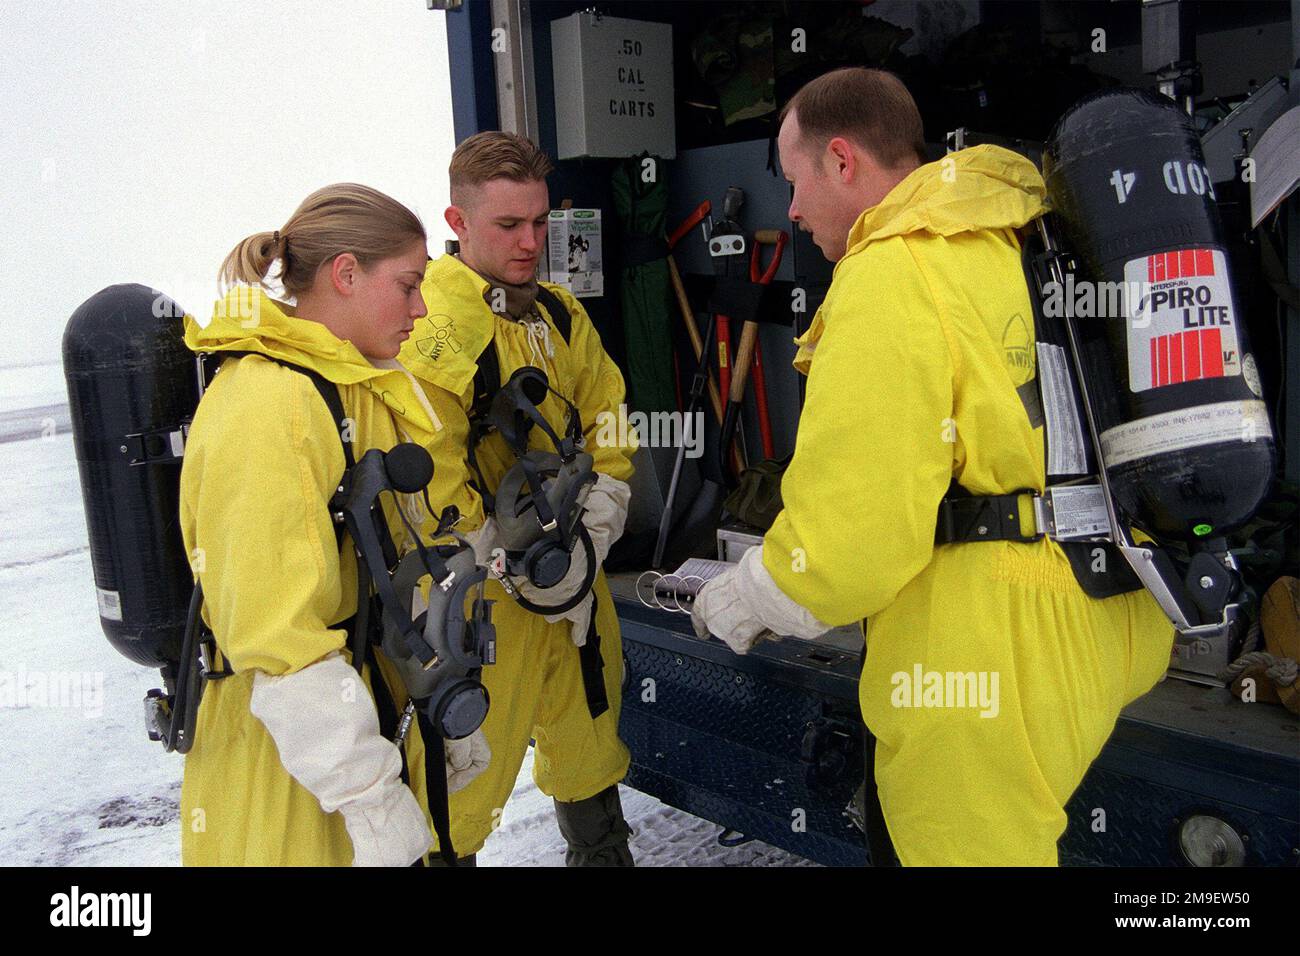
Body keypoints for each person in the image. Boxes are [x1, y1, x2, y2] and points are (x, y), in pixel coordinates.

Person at [691, 68, 1174, 866]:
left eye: (795, 180)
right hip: (1110, 604)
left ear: (842, 161)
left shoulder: (895, 267)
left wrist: (756, 592)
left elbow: (856, 535)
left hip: (990, 648)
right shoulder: (1024, 236)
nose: (794, 210)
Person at [179, 183, 489, 866]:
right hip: (286, 775)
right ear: (346, 274)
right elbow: (276, 636)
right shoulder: (272, 403)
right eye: (408, 285)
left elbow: (400, 572)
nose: (421, 308)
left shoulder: (353, 386)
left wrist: (439, 694)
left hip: (355, 737)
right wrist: (370, 798)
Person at [399, 132, 637, 866]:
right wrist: (498, 565)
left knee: (590, 759)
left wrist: (595, 525)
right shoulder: (438, 325)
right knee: (457, 805)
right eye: (508, 226)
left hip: (573, 593)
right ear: (458, 221)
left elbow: (607, 419)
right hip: (481, 612)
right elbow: (427, 466)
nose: (532, 242)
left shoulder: (561, 316)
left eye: (540, 222)